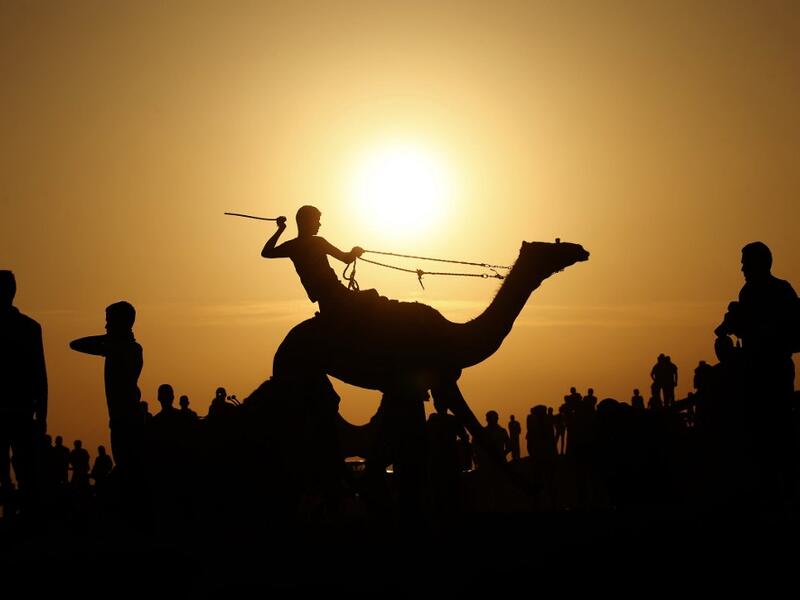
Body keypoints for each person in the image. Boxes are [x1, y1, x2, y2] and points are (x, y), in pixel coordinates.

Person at [69, 301, 144, 474]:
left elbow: (77, 344)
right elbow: (75, 344)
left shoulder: (128, 349)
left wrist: (110, 339)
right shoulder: (118, 348)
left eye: (109, 322)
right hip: (119, 419)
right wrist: (109, 338)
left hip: (128, 420)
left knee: (129, 468)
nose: (106, 326)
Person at [260, 205, 365, 316]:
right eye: (317, 221)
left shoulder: (292, 246)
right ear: (307, 222)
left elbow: (266, 252)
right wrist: (354, 252)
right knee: (375, 298)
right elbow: (345, 258)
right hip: (337, 294)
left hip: (324, 299)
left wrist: (281, 229)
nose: (319, 224)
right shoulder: (318, 243)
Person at [0, 270, 48, 508]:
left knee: (25, 472)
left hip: (18, 410)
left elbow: (40, 374)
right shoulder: (29, 328)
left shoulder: (30, 328)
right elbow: (40, 375)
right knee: (27, 472)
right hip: (23, 411)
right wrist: (43, 414)